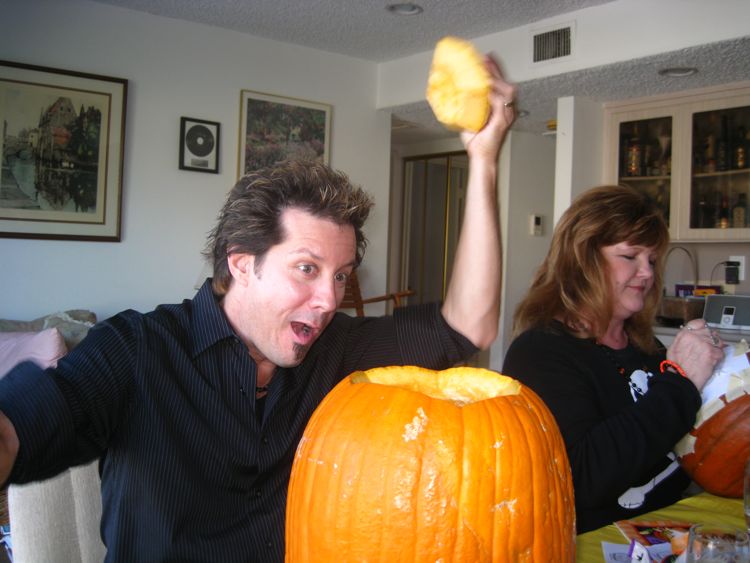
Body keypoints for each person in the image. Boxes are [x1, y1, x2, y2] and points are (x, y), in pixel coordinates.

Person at [0, 56, 516, 561]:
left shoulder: (339, 351)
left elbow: (468, 326)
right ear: (242, 264)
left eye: (340, 276)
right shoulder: (137, 350)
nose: (330, 299)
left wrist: (484, 158)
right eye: (307, 269)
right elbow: (32, 421)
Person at [501, 185, 726, 534]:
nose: (648, 272)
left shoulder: (644, 345)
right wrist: (680, 379)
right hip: (600, 542)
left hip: (673, 531)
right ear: (583, 260)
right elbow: (584, 477)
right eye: (630, 256)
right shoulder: (539, 352)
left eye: (651, 259)